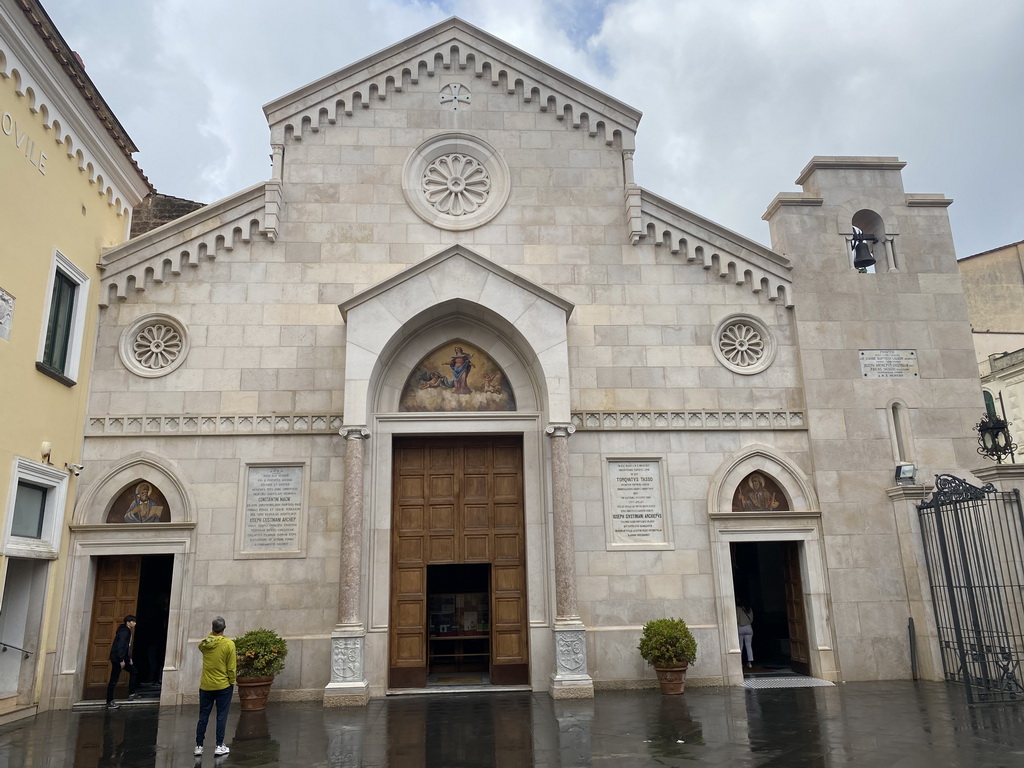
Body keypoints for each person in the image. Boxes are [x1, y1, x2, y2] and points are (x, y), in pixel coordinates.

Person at [195, 616, 236, 757]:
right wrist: (232, 681)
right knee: (221, 716)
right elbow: (231, 668)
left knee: (203, 716)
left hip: (206, 685)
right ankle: (219, 745)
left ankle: (199, 745)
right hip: (223, 685)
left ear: (212, 628)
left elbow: (201, 645)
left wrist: (210, 637)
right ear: (224, 628)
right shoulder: (228, 644)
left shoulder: (205, 644)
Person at [105, 615, 138, 709]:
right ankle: (109, 701)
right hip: (118, 659)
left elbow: (127, 646)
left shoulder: (127, 630)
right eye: (133, 621)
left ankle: (132, 693)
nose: (134, 623)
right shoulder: (124, 631)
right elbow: (121, 645)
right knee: (114, 679)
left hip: (123, 658)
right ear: (128, 622)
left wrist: (129, 658)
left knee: (134, 671)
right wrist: (121, 660)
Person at [737, 603, 754, 669]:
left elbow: (737, 619)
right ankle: (750, 663)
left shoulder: (738, 609)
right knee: (749, 646)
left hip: (740, 627)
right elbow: (752, 619)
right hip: (748, 627)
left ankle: (740, 662)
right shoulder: (749, 608)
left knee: (740, 645)